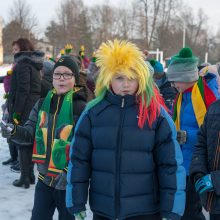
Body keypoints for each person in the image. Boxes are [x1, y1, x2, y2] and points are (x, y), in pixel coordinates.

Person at [66, 40, 186, 220]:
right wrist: (76, 201)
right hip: (103, 209)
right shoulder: (93, 113)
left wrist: (172, 209)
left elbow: (170, 165)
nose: (126, 84)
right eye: (119, 77)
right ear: (108, 78)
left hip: (145, 211)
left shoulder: (155, 114)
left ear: (142, 79)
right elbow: (79, 160)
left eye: (132, 78)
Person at [1, 56, 87, 219]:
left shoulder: (82, 108)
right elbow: (29, 134)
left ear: (75, 78)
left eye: (67, 74)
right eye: (57, 74)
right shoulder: (41, 104)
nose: (61, 78)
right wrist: (13, 131)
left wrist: (68, 171)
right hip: (44, 181)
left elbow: (85, 149)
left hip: (68, 185)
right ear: (52, 78)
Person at [166, 47, 220, 220]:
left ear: (187, 77)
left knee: (190, 211)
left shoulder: (205, 94)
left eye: (176, 81)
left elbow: (212, 133)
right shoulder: (182, 96)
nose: (173, 85)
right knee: (187, 210)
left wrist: (186, 136)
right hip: (184, 162)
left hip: (198, 165)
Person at [190, 98, 220, 220]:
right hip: (215, 202)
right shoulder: (214, 108)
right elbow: (201, 142)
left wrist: (216, 180)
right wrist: (198, 170)